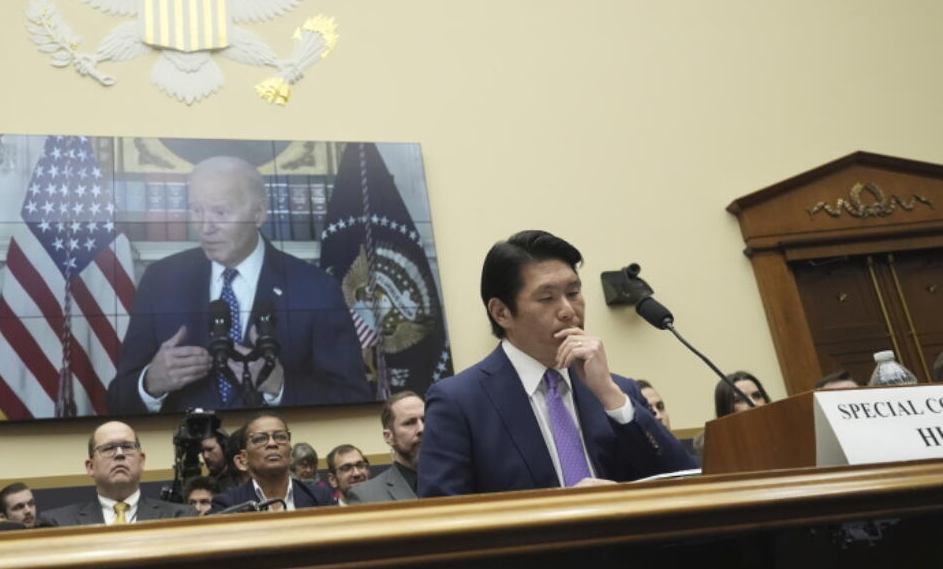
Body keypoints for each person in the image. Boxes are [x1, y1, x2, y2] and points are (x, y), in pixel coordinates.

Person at [419, 230, 697, 498]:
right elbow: (442, 516)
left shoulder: (618, 391)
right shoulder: (459, 402)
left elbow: (684, 484)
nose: (568, 310)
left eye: (574, 293)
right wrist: (556, 513)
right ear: (501, 312)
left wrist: (611, 396)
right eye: (547, 298)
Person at [108, 156, 371, 413]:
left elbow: (353, 396)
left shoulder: (316, 288)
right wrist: (150, 384)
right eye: (197, 210)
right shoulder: (160, 280)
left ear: (258, 213)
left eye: (220, 212)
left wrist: (279, 387)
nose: (205, 227)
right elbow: (116, 400)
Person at [38, 421, 195, 526]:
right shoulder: (59, 522)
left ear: (141, 461)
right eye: (108, 448)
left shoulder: (180, 518)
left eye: (127, 447)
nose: (119, 454)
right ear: (90, 466)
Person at [211, 413, 336, 512]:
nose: (272, 443)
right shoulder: (227, 505)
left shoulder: (320, 498)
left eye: (280, 437)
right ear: (242, 460)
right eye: (260, 439)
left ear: (290, 454)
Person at [345, 391, 424, 504]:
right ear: (389, 437)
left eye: (426, 420)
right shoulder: (366, 497)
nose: (422, 429)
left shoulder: (456, 478)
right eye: (409, 423)